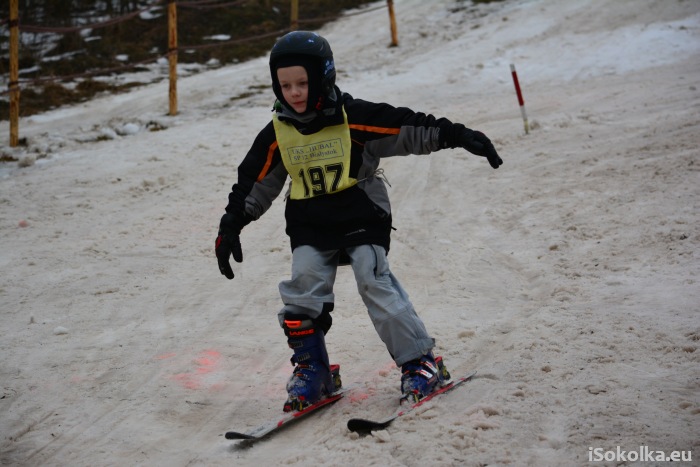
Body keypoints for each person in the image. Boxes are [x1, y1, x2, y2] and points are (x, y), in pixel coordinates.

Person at [215, 31, 502, 412]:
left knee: (373, 279)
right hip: (310, 222)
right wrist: (232, 223)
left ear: (324, 78)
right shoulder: (278, 132)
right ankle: (314, 371)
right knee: (302, 289)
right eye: (285, 85)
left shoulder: (354, 119)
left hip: (360, 213)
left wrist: (459, 136)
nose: (294, 92)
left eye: (303, 82)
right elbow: (255, 181)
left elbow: (406, 128)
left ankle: (421, 363)